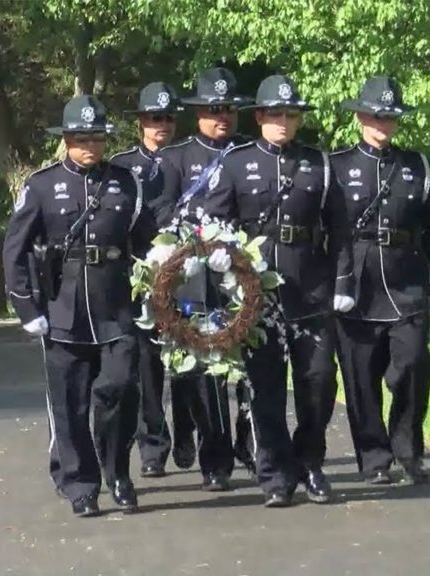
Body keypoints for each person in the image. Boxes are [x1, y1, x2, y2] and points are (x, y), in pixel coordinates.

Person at [2, 94, 157, 516]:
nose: (89, 145)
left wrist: (159, 287)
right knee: (70, 406)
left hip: (115, 308)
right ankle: (80, 485)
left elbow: (147, 242)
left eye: (97, 137)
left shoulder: (127, 183)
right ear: (66, 139)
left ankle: (118, 473)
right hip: (62, 308)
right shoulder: (41, 185)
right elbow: (14, 250)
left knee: (120, 391)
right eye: (80, 137)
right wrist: (26, 309)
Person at [205, 74, 353, 507]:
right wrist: (221, 257)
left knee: (320, 381)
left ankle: (310, 461)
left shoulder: (318, 165)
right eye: (276, 114)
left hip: (310, 288)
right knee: (265, 388)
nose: (284, 122)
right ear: (259, 117)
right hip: (258, 295)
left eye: (292, 114)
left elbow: (339, 230)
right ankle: (274, 475)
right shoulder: (235, 162)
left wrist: (341, 282)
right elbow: (215, 220)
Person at [329, 76, 430, 486]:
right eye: (376, 117)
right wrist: (335, 283)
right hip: (357, 278)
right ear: (361, 117)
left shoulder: (415, 165)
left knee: (414, 363)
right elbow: (329, 232)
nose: (382, 125)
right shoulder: (338, 164)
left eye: (390, 118)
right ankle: (374, 458)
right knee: (360, 377)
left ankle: (408, 449)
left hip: (406, 278)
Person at [153, 67, 255, 491]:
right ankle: (215, 459)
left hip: (242, 273)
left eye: (229, 109)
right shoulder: (175, 158)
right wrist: (187, 252)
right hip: (193, 275)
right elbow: (161, 215)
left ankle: (249, 444)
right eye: (213, 109)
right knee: (203, 369)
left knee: (249, 370)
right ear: (197, 113)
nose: (222, 117)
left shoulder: (249, 154)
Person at [110, 82, 196, 478]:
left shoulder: (190, 158)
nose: (161, 124)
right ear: (141, 122)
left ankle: (186, 434)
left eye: (167, 117)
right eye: (153, 118)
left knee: (189, 362)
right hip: (142, 274)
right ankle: (153, 447)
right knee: (148, 368)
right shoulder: (124, 166)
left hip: (188, 274)